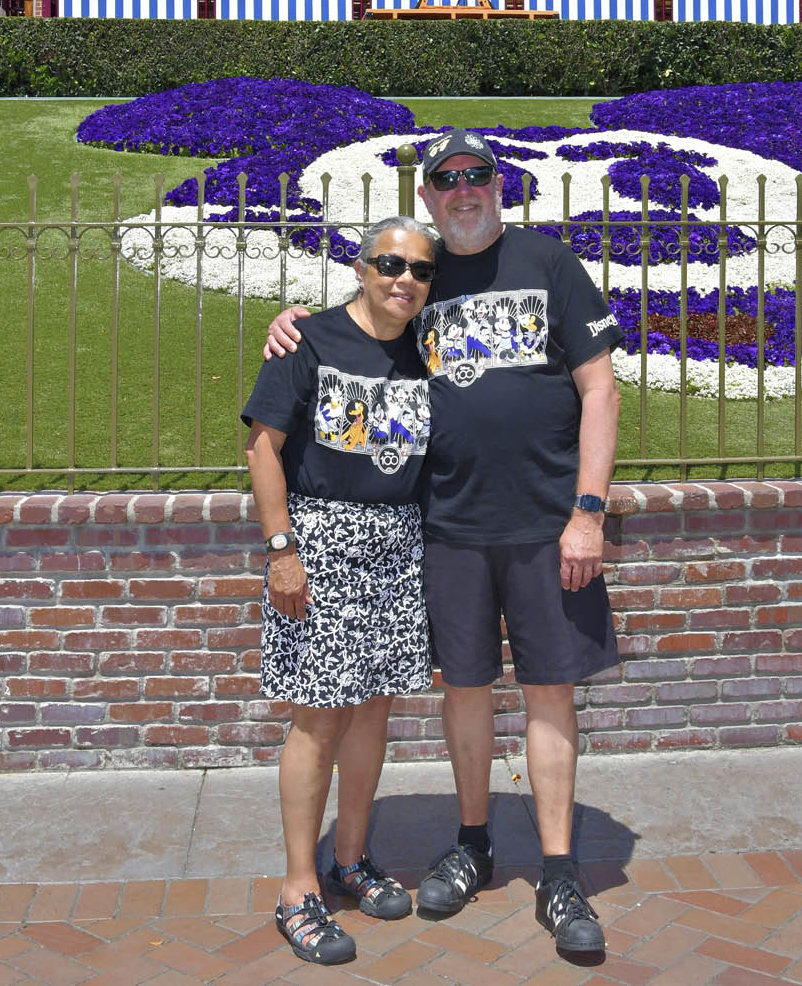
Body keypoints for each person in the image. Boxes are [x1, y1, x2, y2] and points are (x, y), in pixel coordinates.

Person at [266, 129, 622, 956]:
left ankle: (560, 868)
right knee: (464, 687)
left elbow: (600, 388)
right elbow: (356, 327)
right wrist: (290, 324)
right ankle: (473, 842)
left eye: (477, 175)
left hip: (545, 521)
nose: (464, 190)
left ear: (500, 184)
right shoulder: (418, 278)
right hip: (447, 524)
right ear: (427, 195)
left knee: (549, 689)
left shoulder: (549, 264)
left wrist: (589, 510)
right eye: (447, 179)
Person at [244, 215, 438, 967]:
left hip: (397, 544)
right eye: (390, 263)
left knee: (373, 710)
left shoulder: (429, 350)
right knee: (319, 717)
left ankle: (351, 857)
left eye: (420, 269)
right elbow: (263, 447)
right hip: (321, 544)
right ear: (360, 268)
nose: (404, 279)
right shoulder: (309, 340)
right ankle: (299, 888)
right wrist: (282, 549)